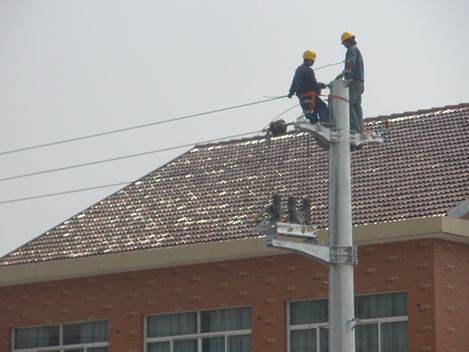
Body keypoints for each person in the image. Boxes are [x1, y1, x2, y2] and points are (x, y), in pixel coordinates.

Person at [288, 49, 329, 124]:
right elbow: (313, 84)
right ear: (309, 60)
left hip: (302, 100)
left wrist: (290, 93)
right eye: (312, 60)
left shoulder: (298, 70)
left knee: (313, 118)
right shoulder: (308, 70)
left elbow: (294, 83)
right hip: (310, 98)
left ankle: (317, 132)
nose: (313, 62)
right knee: (323, 108)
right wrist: (320, 87)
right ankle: (325, 124)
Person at [340, 31, 365, 133]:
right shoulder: (356, 50)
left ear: (348, 41)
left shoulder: (352, 50)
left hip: (354, 83)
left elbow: (350, 61)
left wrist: (346, 71)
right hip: (360, 83)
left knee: (347, 105)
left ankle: (355, 129)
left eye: (344, 43)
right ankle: (360, 130)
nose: (344, 45)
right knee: (356, 107)